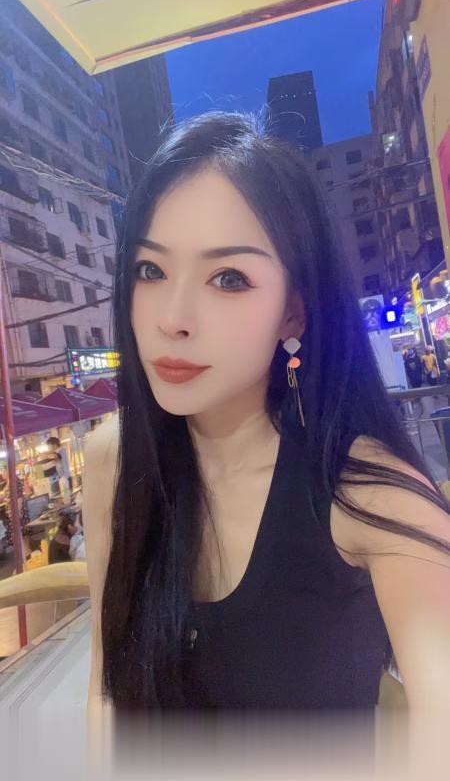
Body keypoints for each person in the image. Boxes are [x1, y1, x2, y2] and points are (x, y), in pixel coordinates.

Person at [83, 113, 450, 752]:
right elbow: (105, 693)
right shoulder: (113, 458)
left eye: (229, 278)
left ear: (292, 313)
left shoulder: (370, 495)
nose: (172, 318)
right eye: (150, 270)